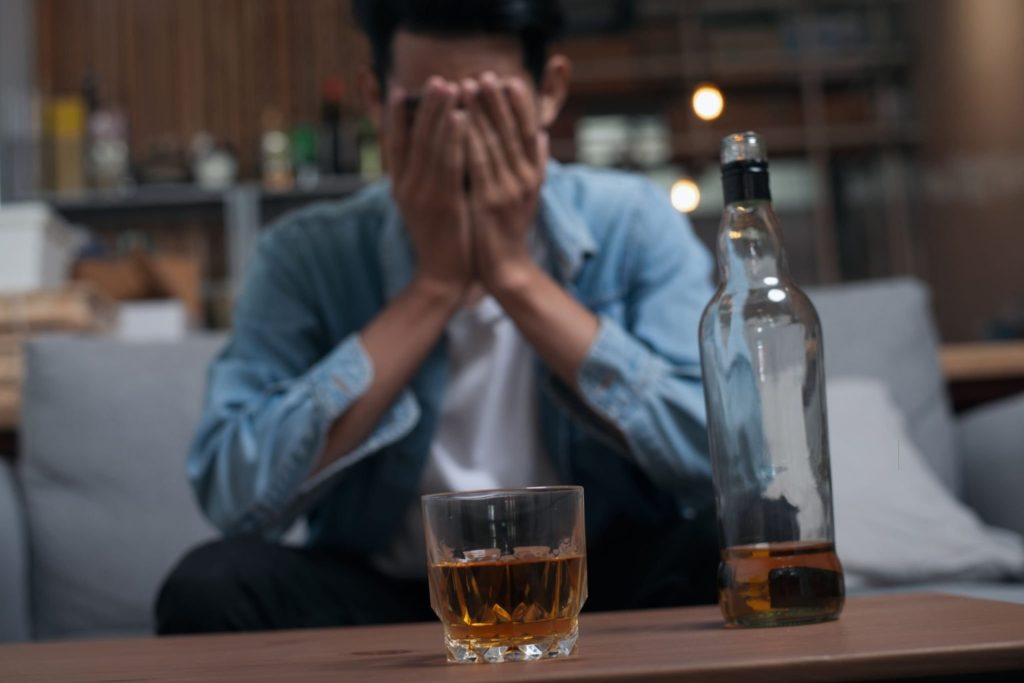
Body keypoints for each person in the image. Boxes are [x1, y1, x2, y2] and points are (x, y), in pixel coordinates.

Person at [156, 0, 718, 635]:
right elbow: (234, 495)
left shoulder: (632, 222)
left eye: (488, 106)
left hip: (596, 585)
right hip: (388, 596)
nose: (458, 139)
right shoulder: (306, 254)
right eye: (426, 110)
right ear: (376, 100)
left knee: (736, 548)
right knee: (210, 586)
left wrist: (516, 279)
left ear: (548, 93)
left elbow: (722, 461)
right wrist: (433, 288)